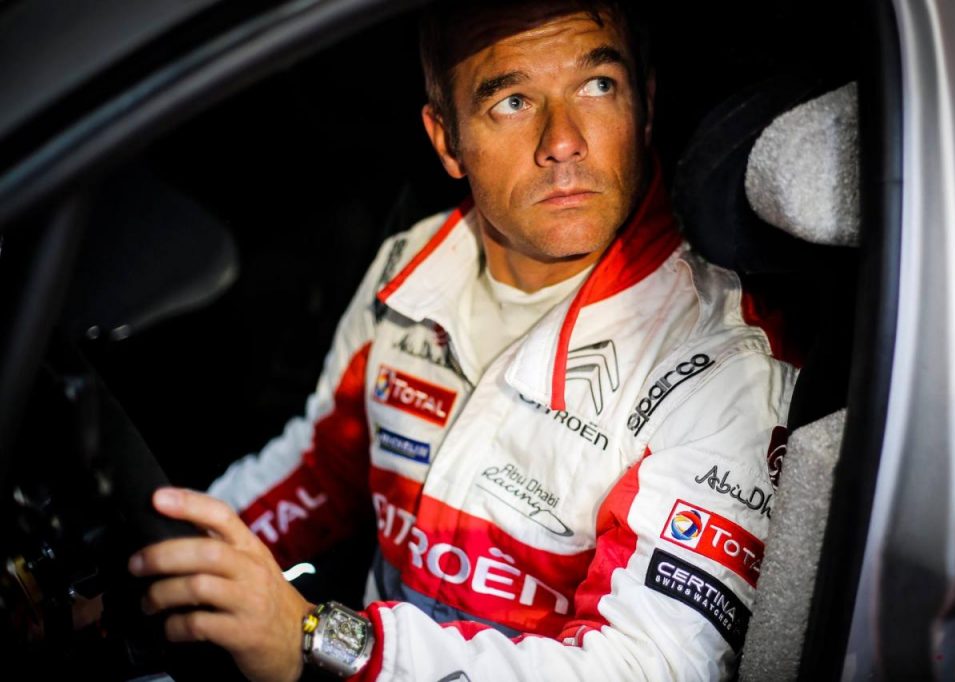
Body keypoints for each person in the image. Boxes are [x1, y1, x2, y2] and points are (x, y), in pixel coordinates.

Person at [128, 1, 796, 679]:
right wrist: (162, 569)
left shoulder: (723, 365)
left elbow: (646, 666)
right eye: (512, 101)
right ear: (447, 140)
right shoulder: (412, 268)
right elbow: (319, 467)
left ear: (644, 106)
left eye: (598, 86)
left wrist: (323, 640)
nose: (563, 140)